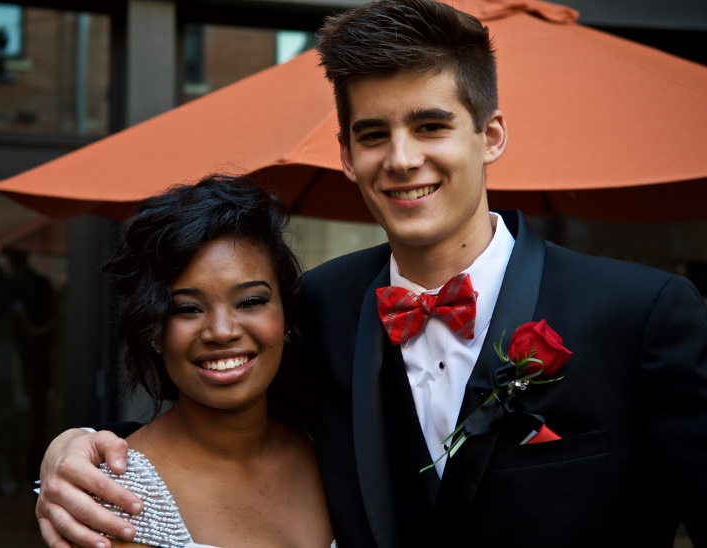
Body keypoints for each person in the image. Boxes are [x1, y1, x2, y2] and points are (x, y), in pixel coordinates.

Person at [35, 1, 707, 547]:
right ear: (347, 155)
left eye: (431, 125)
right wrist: (79, 448)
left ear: (491, 135)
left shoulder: (643, 313)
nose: (402, 158)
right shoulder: (319, 305)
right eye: (374, 133)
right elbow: (224, 424)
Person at [43, 175, 334, 547]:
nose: (222, 331)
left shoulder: (332, 451)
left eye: (250, 301)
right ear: (153, 331)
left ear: (286, 315)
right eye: (187, 308)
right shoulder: (113, 494)